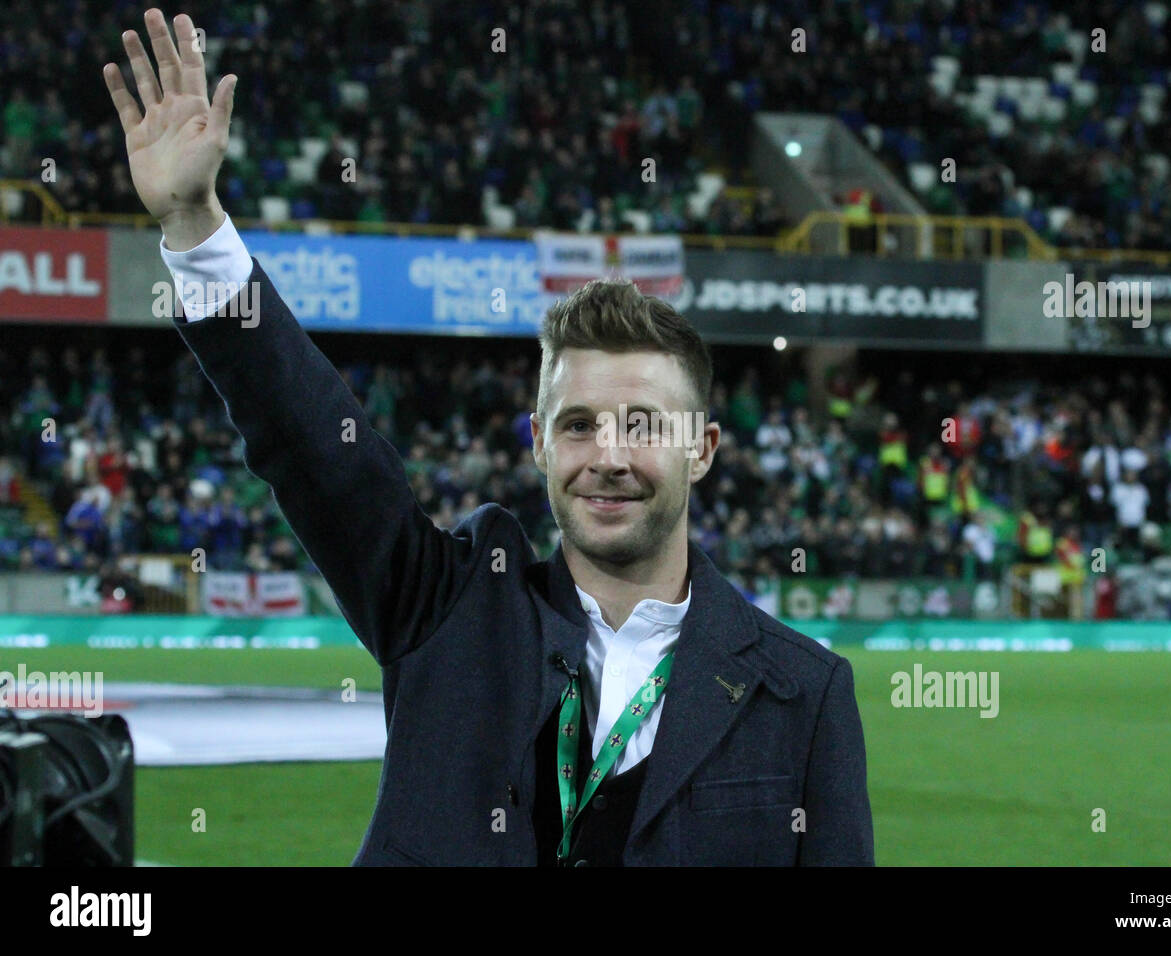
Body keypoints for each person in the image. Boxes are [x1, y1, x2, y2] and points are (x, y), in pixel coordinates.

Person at [102, 8, 873, 867]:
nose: (608, 456)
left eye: (643, 424)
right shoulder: (446, 609)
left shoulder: (803, 694)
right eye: (579, 425)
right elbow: (314, 447)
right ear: (540, 442)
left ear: (705, 448)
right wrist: (197, 228)